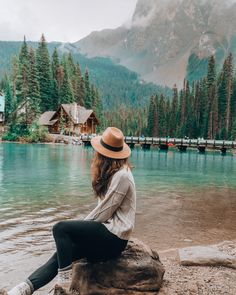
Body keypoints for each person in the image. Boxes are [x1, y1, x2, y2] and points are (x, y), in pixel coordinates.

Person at [2, 127, 136, 295]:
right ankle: (20, 290)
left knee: (60, 228)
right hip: (106, 235)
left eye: (97, 152)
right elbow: (102, 212)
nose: (95, 155)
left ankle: (64, 282)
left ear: (104, 154)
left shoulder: (122, 175)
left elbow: (104, 212)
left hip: (114, 239)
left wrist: (77, 228)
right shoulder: (111, 172)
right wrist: (79, 229)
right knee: (59, 256)